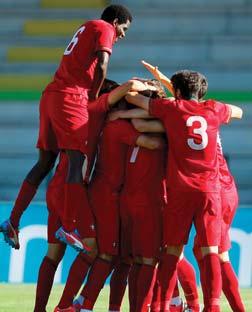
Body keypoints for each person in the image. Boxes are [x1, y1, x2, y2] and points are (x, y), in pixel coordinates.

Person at [0, 4, 133, 250]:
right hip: (71, 97)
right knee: (76, 162)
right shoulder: (104, 27)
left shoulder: (85, 26)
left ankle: (13, 221)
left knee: (44, 163)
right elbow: (102, 64)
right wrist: (93, 96)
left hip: (51, 94)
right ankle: (69, 227)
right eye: (123, 29)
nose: (122, 35)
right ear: (116, 21)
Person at [125, 69, 243, 312]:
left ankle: (161, 306)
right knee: (212, 250)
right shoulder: (213, 109)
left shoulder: (172, 110)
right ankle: (212, 307)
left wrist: (136, 87)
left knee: (172, 251)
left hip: (180, 190)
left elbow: (135, 99)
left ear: (177, 92)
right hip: (210, 190)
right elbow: (239, 111)